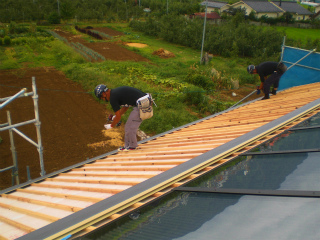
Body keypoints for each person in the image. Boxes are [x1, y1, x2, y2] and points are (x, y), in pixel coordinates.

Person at [94, 84, 153, 151]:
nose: (103, 99)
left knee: (130, 127)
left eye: (101, 97)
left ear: (104, 94)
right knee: (128, 126)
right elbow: (125, 107)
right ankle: (127, 146)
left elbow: (118, 117)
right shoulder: (115, 93)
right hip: (145, 101)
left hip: (142, 104)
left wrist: (111, 125)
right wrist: (114, 117)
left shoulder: (113, 98)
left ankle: (132, 147)